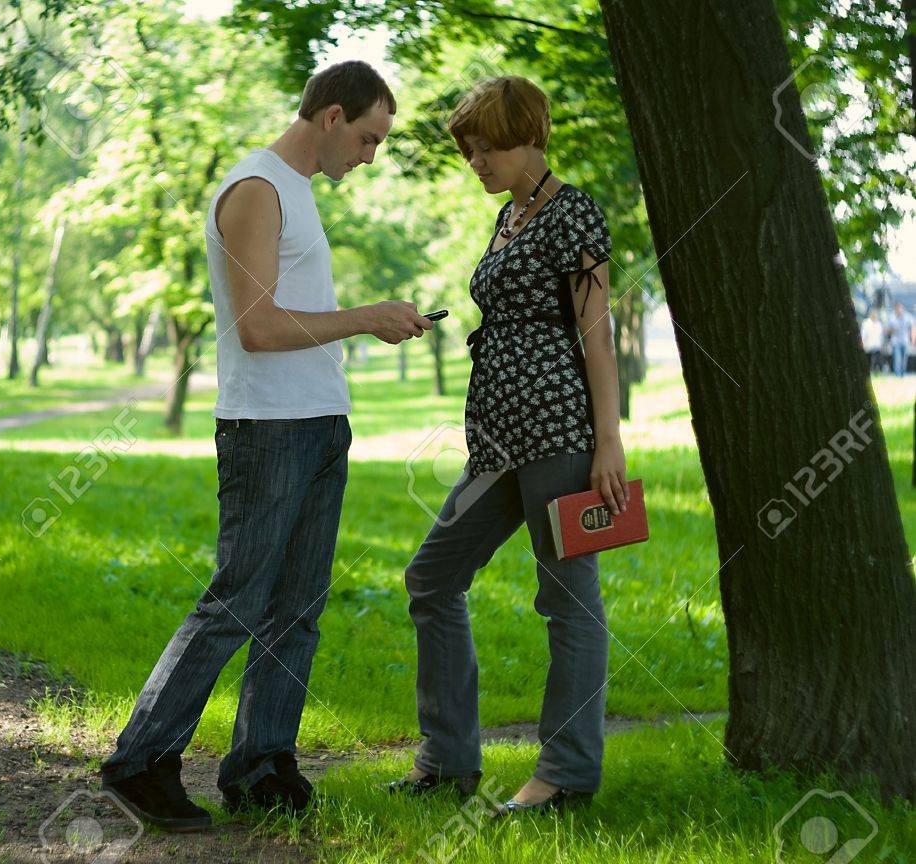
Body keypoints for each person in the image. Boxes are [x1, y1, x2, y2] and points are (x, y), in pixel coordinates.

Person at [99, 60, 433, 831]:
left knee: (298, 608)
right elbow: (257, 327)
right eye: (368, 138)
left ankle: (260, 764)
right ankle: (140, 760)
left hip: (320, 421)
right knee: (237, 601)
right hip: (266, 429)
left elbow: (296, 316)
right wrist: (367, 315)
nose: (369, 155)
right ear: (330, 115)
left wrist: (366, 326)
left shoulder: (301, 194)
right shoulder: (257, 188)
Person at [388, 75, 628, 817]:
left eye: (485, 146)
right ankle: (450, 760)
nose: (476, 160)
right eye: (469, 149)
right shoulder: (508, 218)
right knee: (431, 578)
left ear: (526, 134)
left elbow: (596, 335)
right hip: (497, 441)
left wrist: (609, 442)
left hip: (558, 432)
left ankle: (565, 775)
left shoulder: (573, 212)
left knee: (567, 602)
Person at [888, 303, 912, 377]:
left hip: (905, 341)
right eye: (897, 309)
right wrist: (893, 329)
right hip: (896, 342)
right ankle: (897, 375)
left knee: (904, 359)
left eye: (900, 308)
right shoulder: (892, 317)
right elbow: (887, 330)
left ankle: (903, 374)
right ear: (895, 309)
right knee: (897, 359)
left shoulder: (907, 317)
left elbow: (913, 326)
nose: (899, 310)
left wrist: (912, 338)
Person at [861, 308, 884, 374]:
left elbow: (880, 336)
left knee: (876, 361)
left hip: (877, 346)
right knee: (868, 361)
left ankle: (876, 372)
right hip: (868, 346)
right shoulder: (866, 323)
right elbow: (863, 334)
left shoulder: (879, 324)